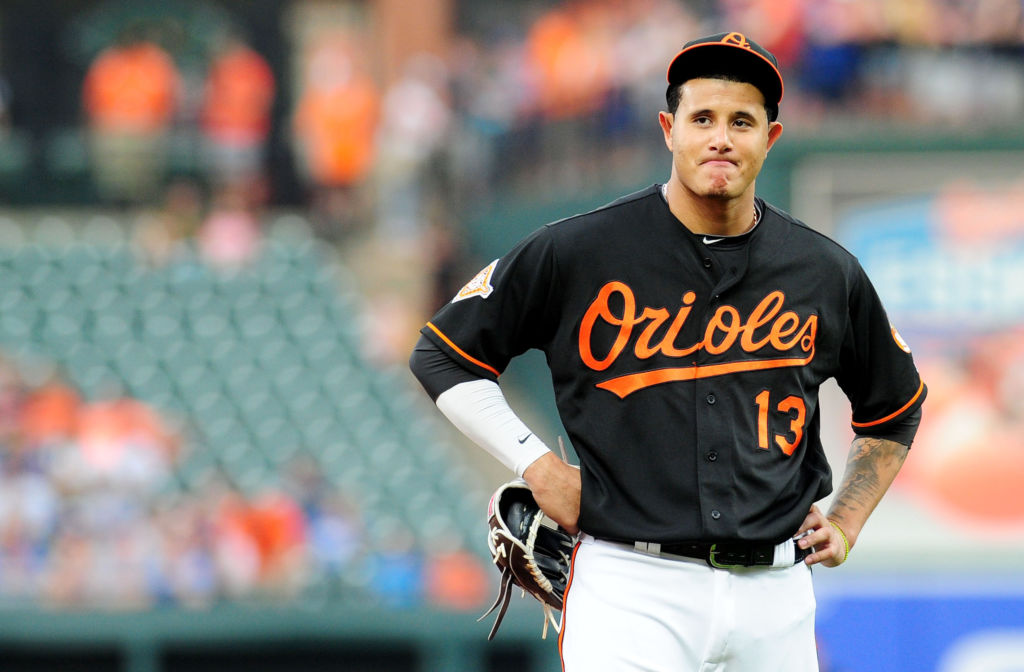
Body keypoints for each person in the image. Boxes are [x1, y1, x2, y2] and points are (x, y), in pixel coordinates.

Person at [409, 31, 926, 671]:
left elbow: (894, 408)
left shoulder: (825, 271)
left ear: (772, 137)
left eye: (742, 121)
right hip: (632, 585)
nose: (720, 137)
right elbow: (443, 355)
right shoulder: (579, 250)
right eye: (702, 117)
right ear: (667, 128)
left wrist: (848, 517)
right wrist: (539, 467)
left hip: (776, 594)